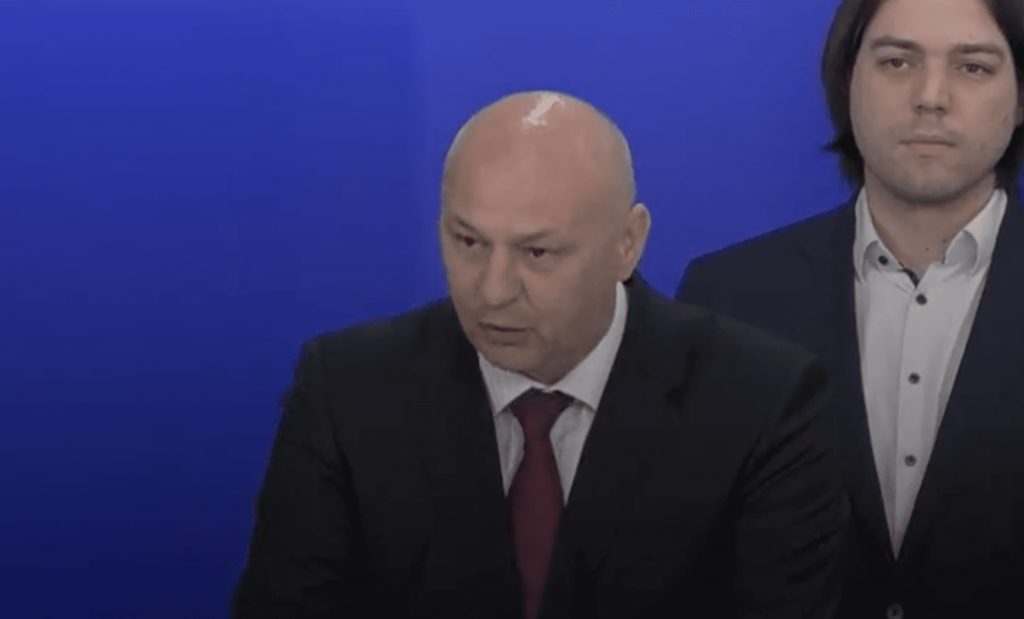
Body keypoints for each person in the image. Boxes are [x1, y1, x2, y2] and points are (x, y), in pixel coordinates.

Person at [232, 91, 845, 619]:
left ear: (627, 243)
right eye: (469, 241)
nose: (493, 290)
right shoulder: (347, 392)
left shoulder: (759, 403)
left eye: (537, 253)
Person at [676, 0, 1024, 617]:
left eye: (972, 67)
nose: (931, 97)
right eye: (897, 62)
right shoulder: (726, 299)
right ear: (846, 82)